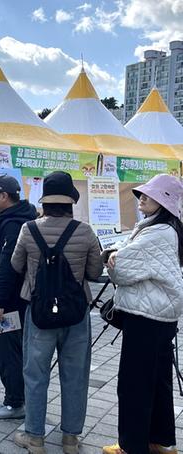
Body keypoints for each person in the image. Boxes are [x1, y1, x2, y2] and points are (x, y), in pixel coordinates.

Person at [11, 171, 103, 454]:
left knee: (35, 374)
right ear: (70, 201)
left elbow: (16, 265)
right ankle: (70, 440)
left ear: (46, 201)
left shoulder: (29, 229)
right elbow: (94, 272)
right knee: (75, 376)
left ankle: (35, 438)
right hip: (76, 314)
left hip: (39, 312)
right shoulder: (85, 231)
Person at [101, 174, 183, 454]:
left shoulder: (156, 232)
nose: (142, 197)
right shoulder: (164, 229)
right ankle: (158, 441)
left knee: (134, 383)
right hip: (161, 317)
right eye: (143, 193)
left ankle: (131, 446)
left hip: (146, 318)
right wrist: (116, 253)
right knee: (158, 381)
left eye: (151, 195)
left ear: (165, 202)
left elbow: (122, 269)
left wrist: (112, 256)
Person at [0, 175, 37, 420]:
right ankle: (18, 399)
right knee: (14, 350)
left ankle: (14, 402)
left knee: (8, 352)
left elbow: (8, 267)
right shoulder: (14, 218)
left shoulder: (13, 225)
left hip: (9, 302)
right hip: (15, 300)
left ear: (4, 196)